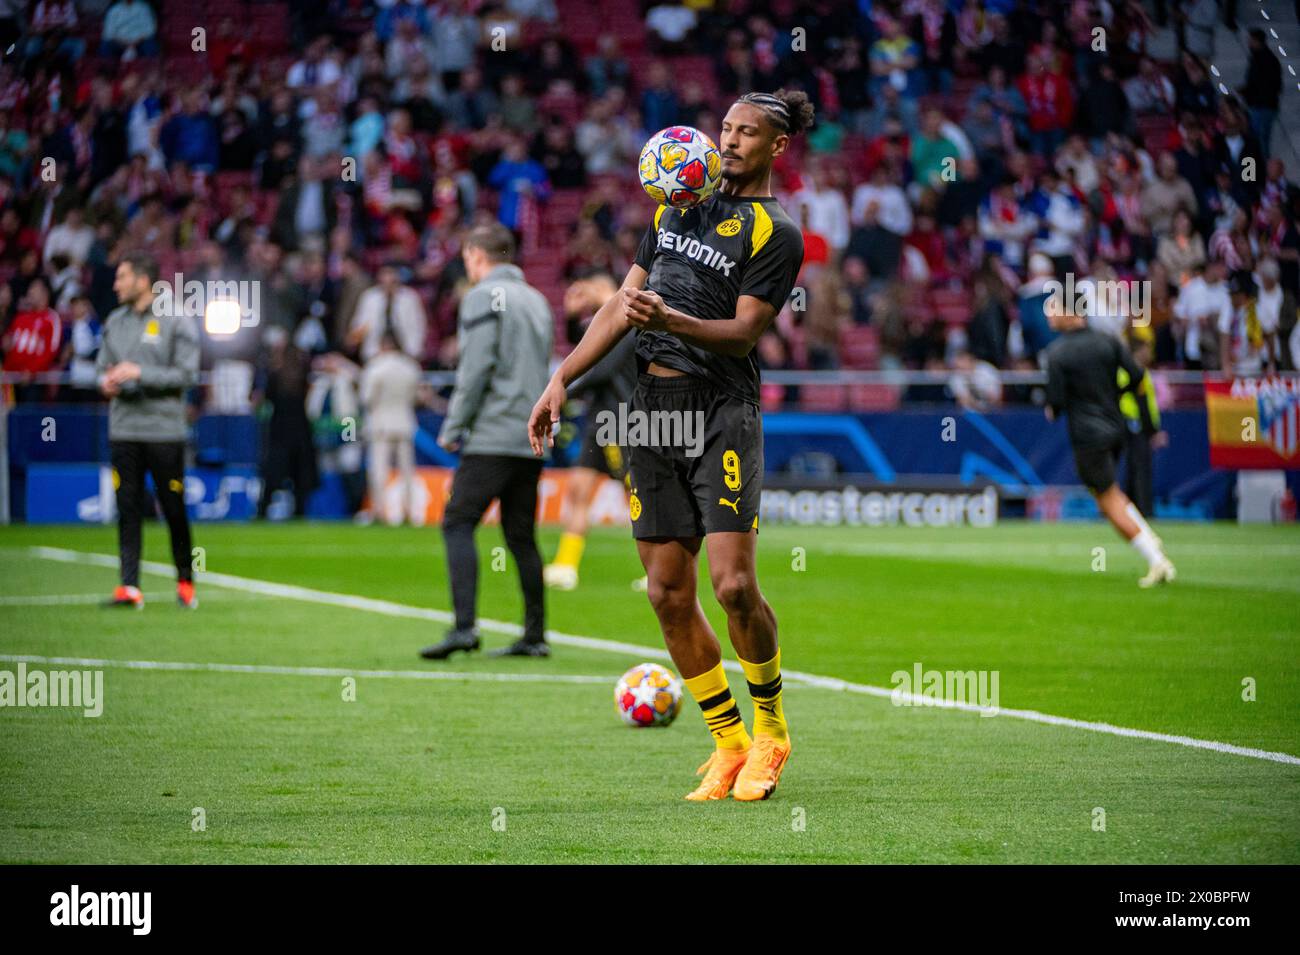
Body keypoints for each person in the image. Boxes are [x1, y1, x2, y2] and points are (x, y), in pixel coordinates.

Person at [528, 90, 812, 802]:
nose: (734, 139)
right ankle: (727, 740)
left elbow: (746, 332)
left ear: (778, 147)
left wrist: (673, 318)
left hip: (722, 408)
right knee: (665, 591)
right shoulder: (673, 205)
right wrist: (561, 376)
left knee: (733, 585)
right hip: (650, 412)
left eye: (750, 133)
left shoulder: (775, 232)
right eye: (727, 127)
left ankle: (771, 731)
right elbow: (623, 306)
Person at [420, 224, 554, 660]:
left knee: (457, 522)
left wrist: (453, 426)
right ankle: (534, 635)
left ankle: (464, 628)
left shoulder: (481, 297)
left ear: (476, 254)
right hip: (530, 436)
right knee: (521, 536)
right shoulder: (536, 299)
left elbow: (475, 369)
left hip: (493, 432)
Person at [1044, 294, 1176, 588]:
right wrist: (1118, 396)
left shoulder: (1057, 353)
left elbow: (1056, 403)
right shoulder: (1108, 341)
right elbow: (1137, 376)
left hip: (1088, 436)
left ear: (1070, 312)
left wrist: (1053, 408)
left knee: (1107, 500)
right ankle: (1150, 539)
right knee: (1112, 493)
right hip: (1116, 430)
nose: (1049, 315)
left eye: (1054, 309)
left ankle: (1156, 560)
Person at [95, 252, 200, 608]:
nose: (115, 284)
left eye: (122, 277)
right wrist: (105, 382)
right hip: (124, 428)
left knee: (173, 506)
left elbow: (187, 375)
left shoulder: (177, 318)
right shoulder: (115, 321)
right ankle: (129, 586)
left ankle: (186, 580)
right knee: (127, 507)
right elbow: (100, 368)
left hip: (164, 430)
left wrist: (140, 373)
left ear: (142, 281)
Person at [543, 273, 643, 592]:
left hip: (623, 421)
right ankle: (566, 565)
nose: (592, 294)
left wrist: (559, 390)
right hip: (600, 421)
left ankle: (657, 568)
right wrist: (573, 315)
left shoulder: (628, 323)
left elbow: (599, 371)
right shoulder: (603, 326)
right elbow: (582, 346)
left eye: (599, 288)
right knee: (578, 490)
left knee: (637, 499)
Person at [359, 331, 423, 525]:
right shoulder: (411, 367)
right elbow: (415, 398)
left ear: (383, 345)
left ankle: (380, 512)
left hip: (381, 425)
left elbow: (366, 398)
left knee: (379, 471)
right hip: (405, 423)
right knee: (407, 471)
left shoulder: (375, 367)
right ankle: (409, 512)